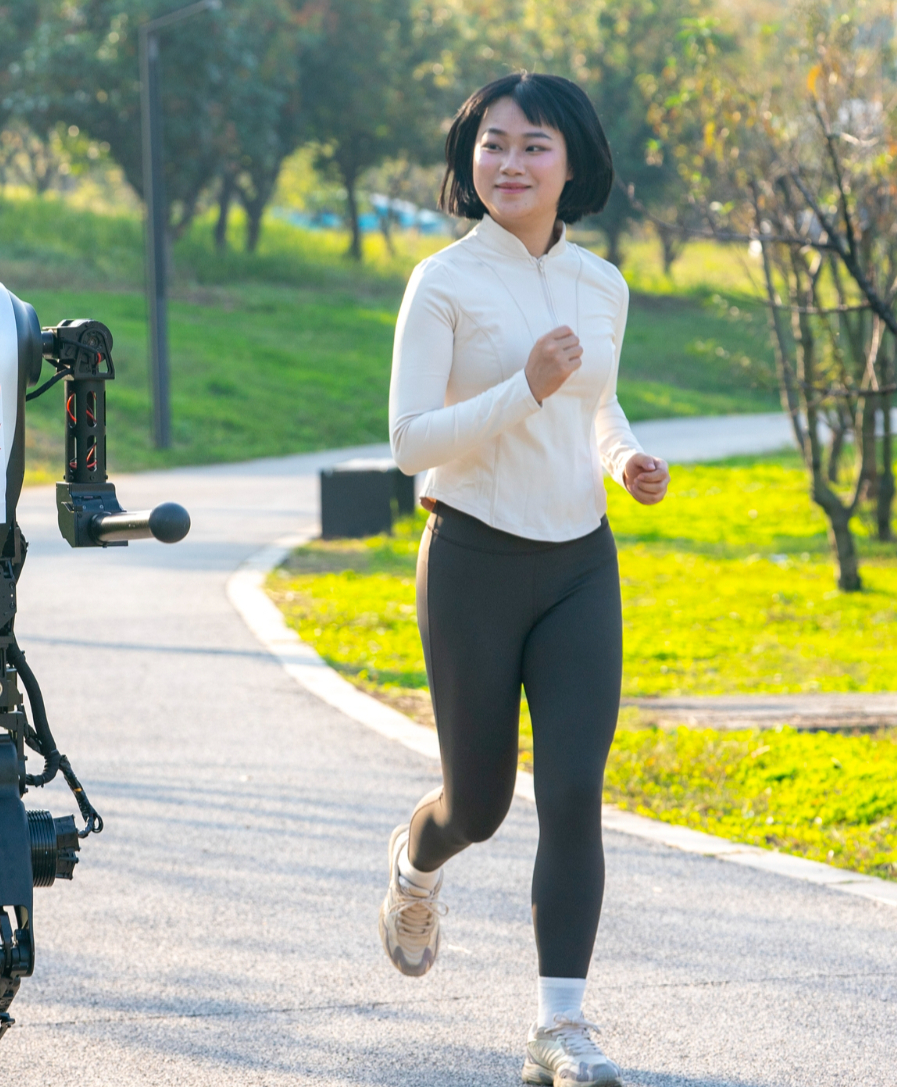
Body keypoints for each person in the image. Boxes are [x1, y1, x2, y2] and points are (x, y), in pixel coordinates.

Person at [377, 71, 670, 1087]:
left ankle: (560, 1025)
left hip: (580, 561)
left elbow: (597, 403)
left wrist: (623, 457)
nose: (509, 163)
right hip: (473, 556)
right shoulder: (443, 282)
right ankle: (415, 865)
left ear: (572, 163)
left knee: (575, 791)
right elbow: (411, 441)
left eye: (533, 145)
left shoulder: (601, 283)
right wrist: (524, 387)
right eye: (492, 143)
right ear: (470, 160)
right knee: (480, 805)